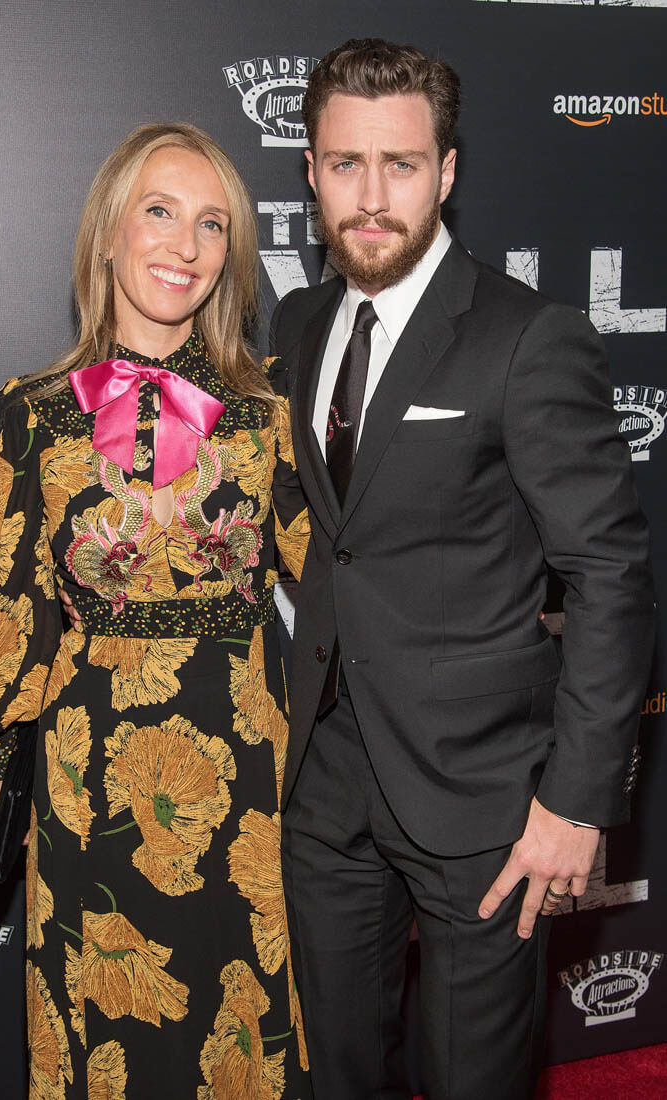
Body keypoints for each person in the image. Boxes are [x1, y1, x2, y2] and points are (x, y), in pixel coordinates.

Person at [269, 39, 654, 1100]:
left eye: (399, 164)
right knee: (332, 1069)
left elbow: (609, 575)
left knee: (471, 1077)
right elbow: (323, 527)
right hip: (324, 777)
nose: (371, 197)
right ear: (310, 174)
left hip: (482, 796)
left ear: (445, 171)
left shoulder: (527, 338)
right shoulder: (298, 323)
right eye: (345, 164)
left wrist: (576, 803)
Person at [0, 122, 310, 1099]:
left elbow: (336, 575)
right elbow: (15, 599)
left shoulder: (266, 412)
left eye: (211, 224)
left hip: (245, 764)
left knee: (238, 1010)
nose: (184, 246)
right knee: (107, 1020)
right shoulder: (27, 412)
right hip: (89, 772)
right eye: (160, 211)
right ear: (109, 230)